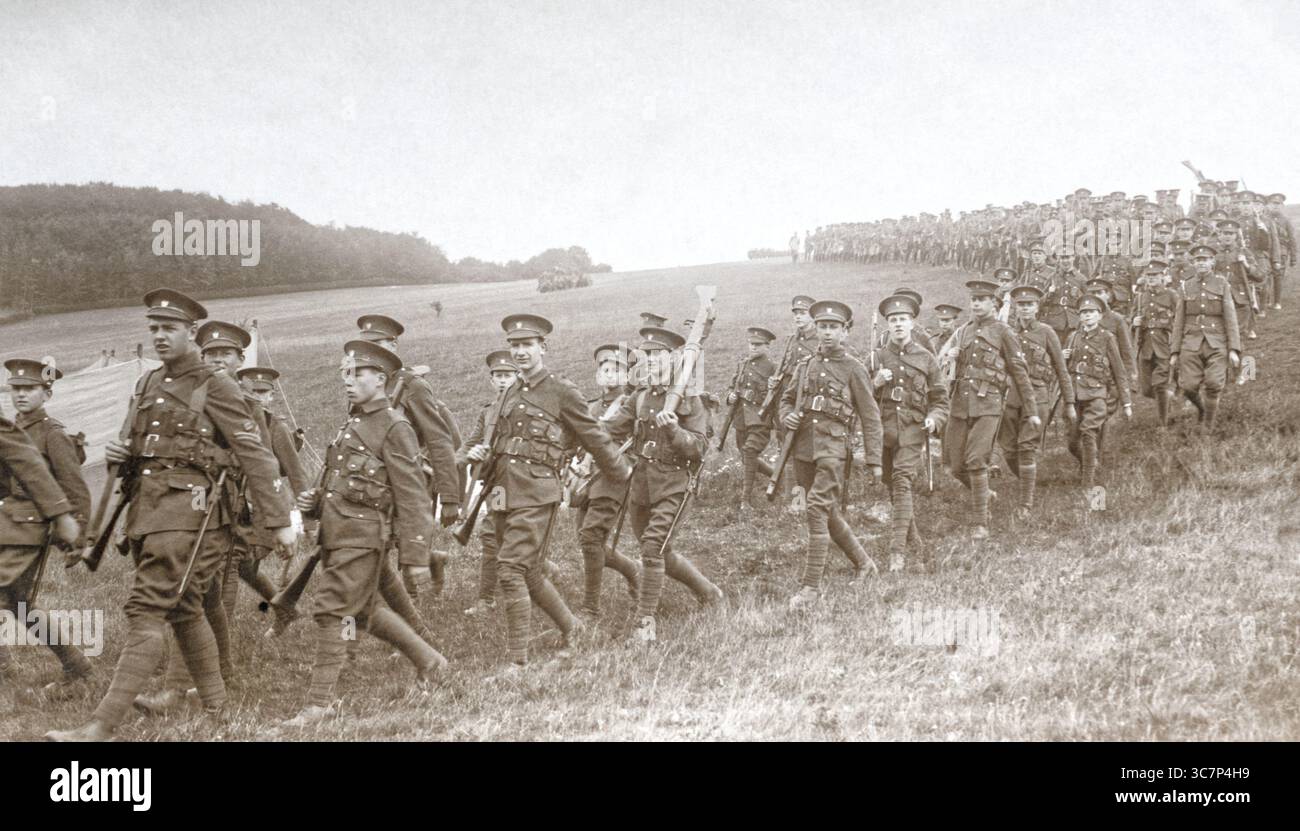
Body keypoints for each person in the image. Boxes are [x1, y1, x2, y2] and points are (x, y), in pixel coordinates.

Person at [47, 289, 293, 742]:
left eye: (169, 328)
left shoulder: (214, 384)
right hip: (148, 511)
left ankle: (99, 726)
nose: (160, 336)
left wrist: (277, 520)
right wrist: (124, 448)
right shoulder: (147, 383)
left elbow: (256, 454)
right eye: (154, 328)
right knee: (183, 606)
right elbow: (135, 443)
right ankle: (218, 707)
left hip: (193, 514)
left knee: (146, 608)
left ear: (191, 333)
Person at [286, 340, 445, 726]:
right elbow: (346, 480)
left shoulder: (394, 426)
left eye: (359, 373)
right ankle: (431, 662)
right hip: (338, 533)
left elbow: (412, 498)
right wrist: (316, 501)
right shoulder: (354, 422)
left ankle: (320, 704)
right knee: (365, 610)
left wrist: (415, 556)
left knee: (332, 611)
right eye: (347, 372)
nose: (349, 380)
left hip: (362, 537)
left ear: (382, 380)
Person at [463, 314, 631, 668]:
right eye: (515, 346)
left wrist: (619, 471)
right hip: (501, 489)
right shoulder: (509, 391)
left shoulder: (561, 390)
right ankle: (575, 630)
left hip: (537, 491)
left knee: (510, 570)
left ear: (543, 347)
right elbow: (497, 438)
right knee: (530, 569)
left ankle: (517, 663)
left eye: (527, 345)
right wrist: (480, 452)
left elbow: (593, 435)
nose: (520, 352)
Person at [603, 326, 722, 642]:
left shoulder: (691, 400)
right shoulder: (640, 397)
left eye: (659, 355)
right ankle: (708, 592)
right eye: (648, 355)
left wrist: (675, 433)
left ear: (675, 358)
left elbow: (699, 448)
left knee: (652, 547)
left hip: (675, 483)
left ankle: (645, 624)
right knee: (660, 551)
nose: (652, 361)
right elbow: (610, 430)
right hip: (641, 485)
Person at [780, 300, 883, 608]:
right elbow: (786, 399)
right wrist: (787, 415)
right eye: (822, 327)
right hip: (803, 449)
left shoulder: (854, 368)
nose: (827, 333)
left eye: (834, 327)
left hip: (833, 450)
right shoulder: (805, 365)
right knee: (827, 512)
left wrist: (875, 460)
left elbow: (871, 416)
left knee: (815, 509)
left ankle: (810, 588)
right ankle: (865, 564)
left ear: (845, 332)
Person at [0, 359, 91, 694]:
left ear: (47, 393)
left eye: (29, 389)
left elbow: (75, 487)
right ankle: (77, 667)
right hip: (7, 523)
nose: (21, 394)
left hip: (30, 528)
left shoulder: (53, 434)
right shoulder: (11, 428)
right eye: (16, 388)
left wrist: (80, 536)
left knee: (13, 600)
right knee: (21, 603)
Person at [941, 280, 1038, 541]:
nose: (976, 304)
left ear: (994, 303)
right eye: (973, 299)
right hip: (960, 404)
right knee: (954, 465)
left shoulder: (1004, 332)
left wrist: (1032, 410)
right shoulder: (963, 331)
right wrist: (951, 356)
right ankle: (984, 493)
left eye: (982, 299)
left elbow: (1020, 372)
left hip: (989, 404)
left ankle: (980, 522)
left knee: (976, 460)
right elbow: (952, 370)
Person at [870, 296, 948, 571]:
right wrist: (875, 383)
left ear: (912, 323)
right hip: (884, 429)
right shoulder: (876, 357)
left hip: (914, 428)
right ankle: (913, 538)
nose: (898, 324)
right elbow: (857, 397)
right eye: (893, 320)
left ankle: (896, 553)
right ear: (887, 325)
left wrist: (933, 418)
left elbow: (940, 398)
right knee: (892, 485)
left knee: (902, 481)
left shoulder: (926, 358)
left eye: (903, 319)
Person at [570, 344, 640, 622]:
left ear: (627, 375)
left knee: (591, 537)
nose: (610, 375)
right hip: (587, 478)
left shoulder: (630, 404)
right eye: (605, 370)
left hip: (613, 478)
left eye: (617, 370)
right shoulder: (590, 407)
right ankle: (633, 571)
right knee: (588, 541)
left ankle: (590, 608)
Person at [995, 286, 1073, 516]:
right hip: (1012, 396)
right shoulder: (1007, 332)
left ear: (1037, 307)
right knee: (1008, 449)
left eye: (1030, 304)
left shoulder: (1046, 332)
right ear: (1016, 308)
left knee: (1026, 447)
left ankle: (1025, 503)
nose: (1025, 309)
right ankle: (1029, 480)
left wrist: (1069, 403)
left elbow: (1061, 368)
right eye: (1021, 304)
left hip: (1038, 395)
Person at [459, 351, 519, 616]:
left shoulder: (526, 408)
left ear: (518, 378)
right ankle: (486, 600)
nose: (503, 381)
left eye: (508, 375)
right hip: (498, 486)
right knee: (493, 534)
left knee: (517, 536)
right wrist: (466, 456)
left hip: (523, 483)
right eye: (498, 376)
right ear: (491, 381)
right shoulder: (488, 412)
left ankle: (543, 575)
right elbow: (469, 445)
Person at [1170, 244, 1242, 431]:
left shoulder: (1221, 284)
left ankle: (1208, 428)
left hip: (1217, 342)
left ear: (1212, 261)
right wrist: (1175, 350)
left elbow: (1230, 317)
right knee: (1188, 386)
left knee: (1213, 383)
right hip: (1190, 341)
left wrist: (1234, 349)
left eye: (1205, 259)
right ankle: (1202, 409)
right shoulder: (1185, 286)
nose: (1201, 262)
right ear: (1193, 263)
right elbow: (1178, 320)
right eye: (1197, 260)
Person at [1064, 296, 1132, 486]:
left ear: (1100, 315)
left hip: (1097, 394)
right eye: (1084, 313)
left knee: (1088, 433)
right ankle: (1091, 463)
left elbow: (1119, 371)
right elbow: (1065, 368)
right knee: (1071, 442)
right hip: (1075, 395)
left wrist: (1126, 402)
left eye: (1091, 312)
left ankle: (1089, 484)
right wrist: (1063, 356)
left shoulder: (1107, 338)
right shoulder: (1073, 337)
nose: (1087, 317)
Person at [726, 326, 777, 516]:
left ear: (767, 346)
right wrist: (730, 396)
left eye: (758, 345)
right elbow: (732, 386)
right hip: (741, 418)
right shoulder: (743, 365)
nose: (753, 348)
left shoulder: (773, 368)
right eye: (751, 344)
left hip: (760, 418)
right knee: (746, 456)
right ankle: (776, 476)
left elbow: (777, 395)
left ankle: (745, 500)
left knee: (749, 451)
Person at [1131, 261, 1180, 426]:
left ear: (1163, 277)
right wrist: (1134, 322)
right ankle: (1168, 398)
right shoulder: (1140, 298)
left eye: (1155, 275)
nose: (1151, 278)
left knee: (1159, 384)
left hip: (1165, 344)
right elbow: (1130, 319)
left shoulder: (1171, 295)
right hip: (1145, 347)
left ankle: (1163, 424)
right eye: (1148, 276)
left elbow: (1181, 318)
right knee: (1146, 389)